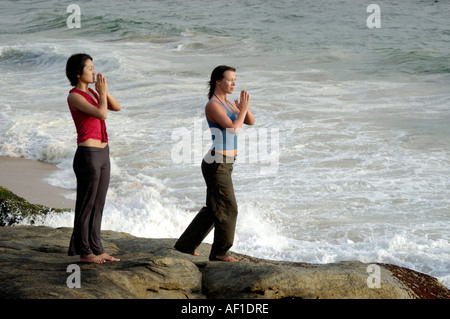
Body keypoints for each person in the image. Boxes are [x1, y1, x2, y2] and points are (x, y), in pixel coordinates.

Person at [175, 65, 255, 262]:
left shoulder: (227, 103)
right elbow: (232, 130)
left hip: (224, 163)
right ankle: (220, 253)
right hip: (217, 163)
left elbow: (250, 121)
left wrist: (243, 108)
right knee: (229, 208)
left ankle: (185, 245)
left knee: (214, 209)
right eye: (229, 79)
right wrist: (241, 110)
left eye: (235, 79)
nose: (234, 83)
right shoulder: (213, 105)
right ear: (218, 81)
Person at [65, 53, 121, 264]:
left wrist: (103, 92)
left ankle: (96, 249)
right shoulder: (75, 96)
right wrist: (102, 95)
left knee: (98, 204)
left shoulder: (93, 93)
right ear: (78, 73)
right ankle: (84, 252)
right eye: (89, 68)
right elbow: (102, 114)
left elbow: (116, 107)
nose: (93, 71)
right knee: (86, 204)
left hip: (103, 153)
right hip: (88, 155)